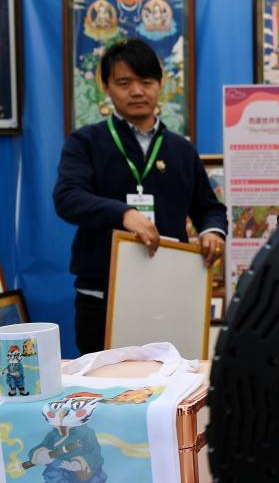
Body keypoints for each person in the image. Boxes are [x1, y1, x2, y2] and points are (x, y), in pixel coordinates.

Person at [53, 39, 227, 354]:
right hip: (101, 294)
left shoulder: (181, 149)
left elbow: (209, 208)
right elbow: (68, 197)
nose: (136, 91)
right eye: (124, 83)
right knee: (103, 379)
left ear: (160, 85)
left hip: (168, 292)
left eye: (146, 82)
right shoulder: (85, 142)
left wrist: (212, 231)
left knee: (172, 378)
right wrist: (123, 214)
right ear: (106, 87)